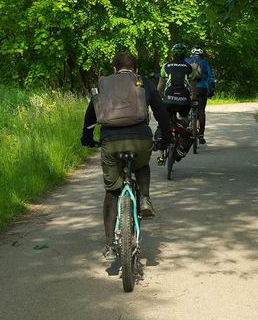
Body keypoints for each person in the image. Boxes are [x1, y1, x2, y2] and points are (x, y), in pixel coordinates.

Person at [81, 51, 170, 260]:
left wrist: (86, 138)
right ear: (135, 69)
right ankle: (145, 199)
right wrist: (165, 138)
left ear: (114, 69)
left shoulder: (104, 84)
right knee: (141, 166)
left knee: (112, 192)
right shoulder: (143, 83)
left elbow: (90, 114)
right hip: (140, 140)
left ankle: (110, 245)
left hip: (111, 142)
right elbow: (161, 113)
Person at [156, 43, 199, 164]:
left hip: (168, 99)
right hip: (184, 101)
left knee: (164, 123)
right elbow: (194, 86)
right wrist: (194, 98)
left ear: (172, 54)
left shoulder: (165, 66)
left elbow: (160, 85)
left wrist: (158, 96)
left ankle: (160, 156)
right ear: (184, 55)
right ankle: (180, 142)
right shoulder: (190, 67)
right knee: (184, 120)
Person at [186, 45, 215, 144]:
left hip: (189, 88)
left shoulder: (186, 61)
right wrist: (211, 90)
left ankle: (185, 132)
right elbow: (211, 78)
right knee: (201, 110)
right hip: (202, 89)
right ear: (201, 53)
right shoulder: (204, 62)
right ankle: (201, 135)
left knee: (185, 109)